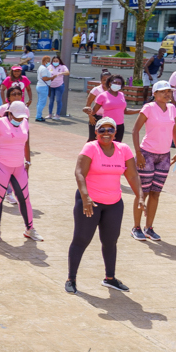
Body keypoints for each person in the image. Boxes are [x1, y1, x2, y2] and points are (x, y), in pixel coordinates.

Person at [66, 117, 144, 294]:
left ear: (115, 132)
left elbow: (132, 175)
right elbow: (79, 173)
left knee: (110, 241)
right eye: (102, 130)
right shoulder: (91, 147)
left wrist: (140, 196)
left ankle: (110, 278)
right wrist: (85, 197)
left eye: (110, 130)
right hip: (89, 202)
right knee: (81, 239)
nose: (106, 133)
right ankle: (71, 278)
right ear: (96, 132)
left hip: (114, 203)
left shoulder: (123, 149)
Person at [130, 81, 176, 240]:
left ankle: (149, 228)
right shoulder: (148, 108)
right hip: (147, 155)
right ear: (155, 93)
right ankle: (136, 227)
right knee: (143, 192)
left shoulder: (172, 109)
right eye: (163, 92)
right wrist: (138, 153)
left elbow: (174, 130)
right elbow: (135, 130)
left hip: (164, 156)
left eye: (169, 91)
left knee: (156, 193)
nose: (167, 94)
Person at [0, 101, 42, 242]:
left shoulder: (25, 123)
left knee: (25, 198)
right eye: (17, 117)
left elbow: (26, 144)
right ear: (9, 113)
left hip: (19, 167)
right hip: (0, 166)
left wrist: (27, 162)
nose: (19, 119)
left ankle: (30, 229)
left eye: (21, 117)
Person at [86, 75, 139, 142]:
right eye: (115, 82)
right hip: (107, 125)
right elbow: (93, 111)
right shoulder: (103, 95)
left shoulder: (121, 95)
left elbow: (125, 111)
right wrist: (88, 111)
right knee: (105, 145)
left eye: (119, 83)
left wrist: (139, 110)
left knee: (117, 145)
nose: (117, 84)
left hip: (120, 125)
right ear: (110, 83)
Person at [85, 70, 113, 141]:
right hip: (96, 118)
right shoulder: (96, 90)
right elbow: (88, 104)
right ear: (100, 80)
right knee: (92, 138)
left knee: (106, 139)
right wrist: (90, 116)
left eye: (108, 80)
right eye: (104, 80)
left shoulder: (113, 91)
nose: (106, 82)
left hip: (108, 118)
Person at [47, 55, 70, 119]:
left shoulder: (62, 66)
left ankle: (57, 114)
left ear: (59, 61)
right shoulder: (49, 66)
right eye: (54, 61)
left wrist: (61, 73)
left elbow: (67, 72)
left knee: (58, 100)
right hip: (51, 86)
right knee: (51, 100)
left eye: (56, 61)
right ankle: (50, 114)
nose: (55, 62)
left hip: (59, 85)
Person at [34, 55, 54, 122]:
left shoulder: (41, 67)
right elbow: (44, 78)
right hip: (43, 86)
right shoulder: (44, 69)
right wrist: (52, 78)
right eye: (48, 61)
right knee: (42, 102)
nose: (49, 63)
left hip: (40, 86)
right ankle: (38, 116)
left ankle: (38, 115)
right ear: (45, 61)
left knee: (39, 102)